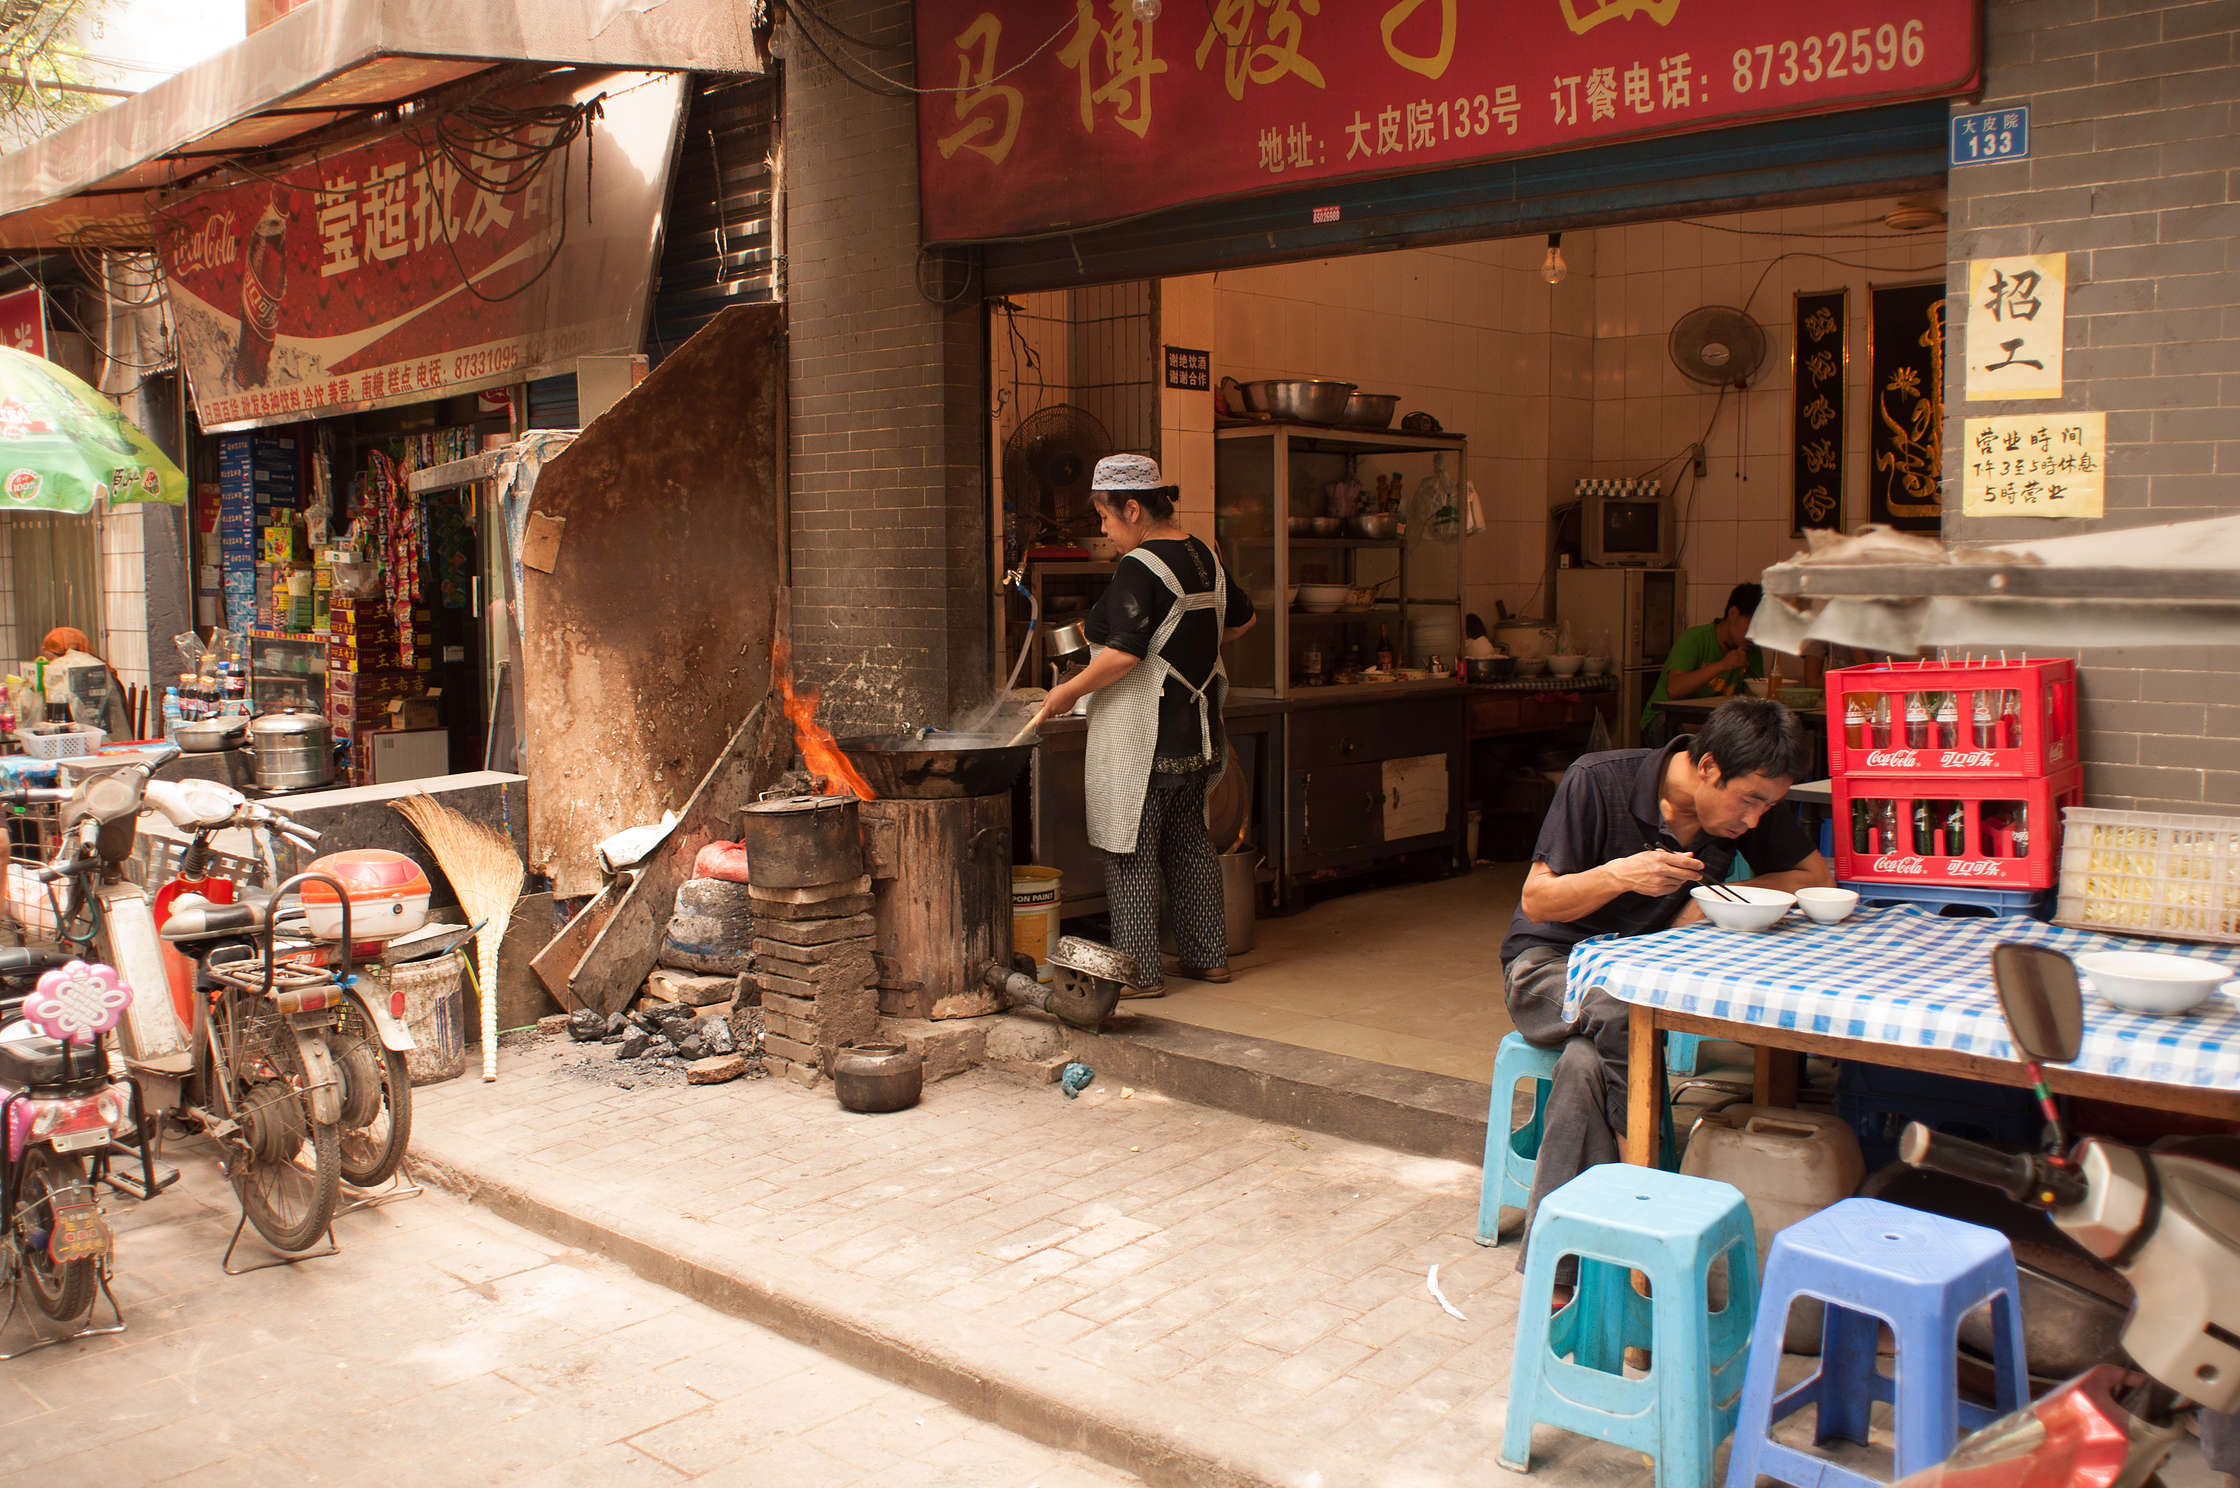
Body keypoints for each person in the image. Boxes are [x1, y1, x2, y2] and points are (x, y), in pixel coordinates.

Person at [1500, 697, 1832, 1268]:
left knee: (1584, 1064)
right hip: (1548, 969)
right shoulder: (1598, 780)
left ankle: (1559, 1267)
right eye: (1749, 801)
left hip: (1634, 979)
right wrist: (1617, 875)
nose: (1755, 820)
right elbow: (1538, 899)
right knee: (1622, 1014)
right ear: (1707, 767)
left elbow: (1814, 875)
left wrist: (1713, 899)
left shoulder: (1745, 800)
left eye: (1768, 806)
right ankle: (1644, 1189)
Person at [1025, 455, 1256, 995]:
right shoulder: (1205, 555)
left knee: (1130, 851)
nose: (1104, 530)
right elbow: (1242, 621)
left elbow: (1124, 655)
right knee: (1190, 845)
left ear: (1133, 509)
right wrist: (1189, 650)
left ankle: (1140, 975)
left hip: (1144, 739)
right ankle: (1207, 959)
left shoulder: (1140, 565)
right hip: (1198, 732)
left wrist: (1067, 692)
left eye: (1105, 517)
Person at [1641, 582, 1766, 736]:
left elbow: (1754, 700)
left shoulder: (1751, 650)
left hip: (1713, 722)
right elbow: (1674, 689)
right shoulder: (1696, 638)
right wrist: (1722, 665)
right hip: (1665, 720)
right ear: (1733, 614)